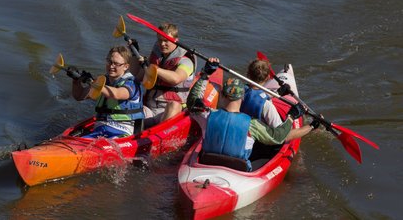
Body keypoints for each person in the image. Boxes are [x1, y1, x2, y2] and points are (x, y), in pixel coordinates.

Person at [188, 59, 319, 171]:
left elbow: (192, 100)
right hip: (238, 169)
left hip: (207, 162)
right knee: (274, 146)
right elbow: (278, 137)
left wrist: (205, 74)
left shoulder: (206, 115)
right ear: (241, 97)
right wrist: (292, 117)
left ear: (221, 95)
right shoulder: (252, 125)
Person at [69, 46, 144, 138]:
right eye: (109, 61)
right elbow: (79, 96)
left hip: (122, 133)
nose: (111, 66)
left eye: (116, 63)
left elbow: (116, 94)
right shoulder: (103, 81)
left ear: (126, 66)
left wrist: (93, 83)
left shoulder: (132, 84)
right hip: (100, 129)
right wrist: (76, 81)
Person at [131, 22, 196, 126]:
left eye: (166, 41)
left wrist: (154, 68)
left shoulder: (186, 61)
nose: (162, 44)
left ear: (176, 41)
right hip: (149, 108)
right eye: (160, 40)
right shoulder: (155, 59)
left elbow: (176, 78)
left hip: (171, 112)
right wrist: (134, 53)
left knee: (174, 105)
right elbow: (136, 78)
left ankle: (160, 136)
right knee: (131, 102)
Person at [240, 59, 284, 128]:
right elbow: (280, 131)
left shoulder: (237, 91)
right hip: (256, 136)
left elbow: (254, 94)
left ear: (248, 74)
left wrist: (277, 93)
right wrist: (291, 117)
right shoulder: (267, 105)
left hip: (240, 126)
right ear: (268, 78)